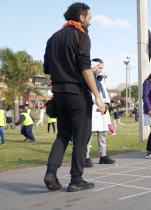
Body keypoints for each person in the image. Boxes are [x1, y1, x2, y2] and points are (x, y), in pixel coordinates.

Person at [43, 2, 106, 192]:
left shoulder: (53, 38)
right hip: (77, 94)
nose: (91, 20)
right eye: (89, 17)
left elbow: (48, 70)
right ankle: (76, 180)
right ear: (81, 18)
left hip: (59, 94)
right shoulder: (81, 36)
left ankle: (51, 173)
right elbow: (84, 68)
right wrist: (98, 96)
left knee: (62, 134)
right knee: (81, 137)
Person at [85, 58, 115, 167]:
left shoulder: (100, 79)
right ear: (93, 66)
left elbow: (104, 93)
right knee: (90, 134)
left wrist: (106, 104)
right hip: (92, 109)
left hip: (102, 110)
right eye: (99, 68)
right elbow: (91, 93)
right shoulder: (88, 78)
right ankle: (85, 157)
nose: (101, 70)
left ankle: (103, 156)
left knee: (103, 133)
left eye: (102, 68)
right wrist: (99, 104)